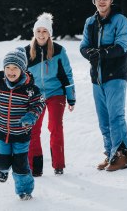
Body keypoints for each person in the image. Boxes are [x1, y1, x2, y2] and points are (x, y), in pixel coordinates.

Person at [79, 0, 127, 171]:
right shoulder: (90, 22)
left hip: (115, 76)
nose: (102, 1)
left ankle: (122, 156)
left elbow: (122, 46)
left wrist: (102, 53)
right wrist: (89, 53)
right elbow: (83, 45)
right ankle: (110, 153)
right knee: (103, 119)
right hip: (97, 78)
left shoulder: (121, 20)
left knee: (115, 117)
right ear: (94, 1)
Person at [0, 47, 45, 200]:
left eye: (15, 67)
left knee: (20, 165)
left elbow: (39, 104)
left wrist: (31, 115)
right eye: (7, 67)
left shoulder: (31, 90)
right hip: (0, 131)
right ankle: (2, 169)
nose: (11, 71)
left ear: (22, 69)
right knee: (0, 161)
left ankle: (24, 191)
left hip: (21, 133)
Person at [25, 13, 76, 177]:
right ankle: (35, 167)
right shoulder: (26, 52)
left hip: (56, 93)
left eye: (44, 31)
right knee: (33, 129)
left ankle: (58, 165)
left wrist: (71, 96)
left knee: (55, 126)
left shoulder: (59, 51)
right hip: (35, 96)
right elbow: (20, 77)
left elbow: (67, 74)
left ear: (49, 33)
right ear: (34, 33)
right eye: (38, 31)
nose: (41, 34)